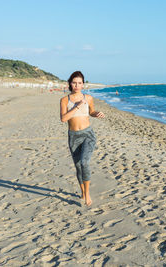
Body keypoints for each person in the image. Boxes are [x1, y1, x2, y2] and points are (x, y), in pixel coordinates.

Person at [60, 71, 105, 206]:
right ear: (70, 83)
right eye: (74, 82)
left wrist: (96, 113)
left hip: (88, 135)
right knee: (78, 166)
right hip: (73, 136)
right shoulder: (64, 100)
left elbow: (91, 111)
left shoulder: (88, 98)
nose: (77, 85)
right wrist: (77, 106)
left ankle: (87, 193)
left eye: (80, 83)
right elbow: (63, 118)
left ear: (83, 84)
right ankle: (82, 191)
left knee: (84, 162)